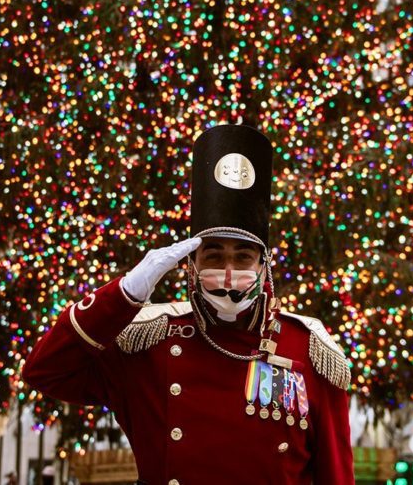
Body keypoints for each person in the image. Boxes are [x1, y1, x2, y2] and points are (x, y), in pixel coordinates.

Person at [23, 124, 353, 484]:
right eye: (214, 256)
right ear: (192, 265)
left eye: (243, 257)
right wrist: (124, 295)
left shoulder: (308, 349)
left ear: (263, 265)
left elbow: (335, 476)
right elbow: (45, 371)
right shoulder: (149, 342)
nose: (228, 271)